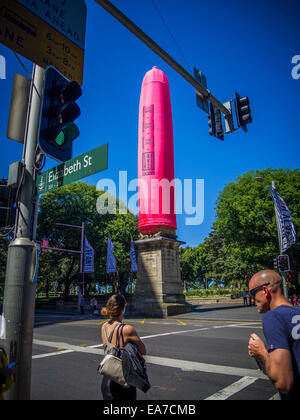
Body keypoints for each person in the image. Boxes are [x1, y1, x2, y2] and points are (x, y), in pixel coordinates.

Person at [247, 270, 300, 400]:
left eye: (253, 293)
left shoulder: (273, 316)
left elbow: (283, 383)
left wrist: (261, 353)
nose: (253, 299)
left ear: (265, 290)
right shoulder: (296, 312)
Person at [100, 294, 146, 400]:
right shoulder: (127, 329)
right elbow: (143, 350)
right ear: (123, 308)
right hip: (122, 381)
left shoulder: (104, 327)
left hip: (107, 379)